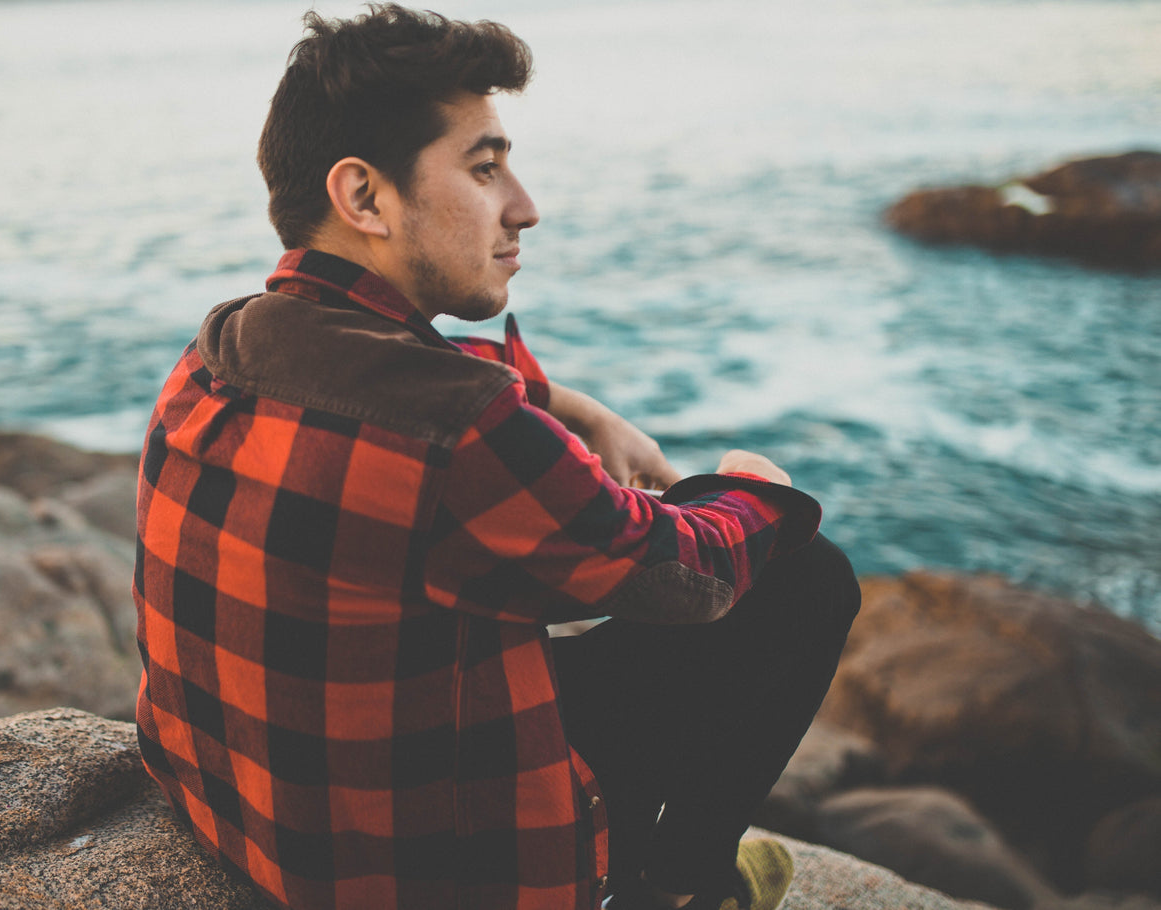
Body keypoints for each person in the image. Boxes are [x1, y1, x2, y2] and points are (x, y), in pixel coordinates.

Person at [132, 5, 860, 910]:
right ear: (363, 197)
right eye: (485, 168)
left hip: (241, 814)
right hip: (433, 877)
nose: (525, 206)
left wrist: (570, 404)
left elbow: (392, 371)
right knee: (802, 577)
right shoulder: (461, 434)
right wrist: (754, 489)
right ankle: (675, 886)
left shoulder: (219, 349)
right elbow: (690, 574)